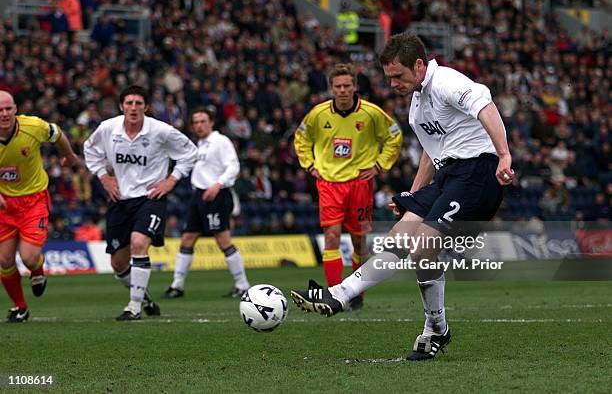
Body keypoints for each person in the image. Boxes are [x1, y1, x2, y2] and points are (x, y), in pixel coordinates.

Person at [291, 33, 514, 360]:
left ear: (419, 65)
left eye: (398, 75)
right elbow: (430, 150)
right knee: (400, 238)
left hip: (478, 173)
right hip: (448, 175)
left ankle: (342, 294)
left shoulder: (447, 82)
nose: (392, 83)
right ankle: (434, 327)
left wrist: (504, 155)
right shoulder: (417, 103)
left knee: (422, 245)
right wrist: (414, 194)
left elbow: (486, 107)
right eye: (388, 77)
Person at [294, 63, 402, 310]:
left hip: (359, 185)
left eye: (346, 86)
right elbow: (301, 138)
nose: (342, 90)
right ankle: (333, 295)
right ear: (331, 88)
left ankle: (357, 292)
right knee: (331, 236)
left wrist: (380, 165)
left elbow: (394, 135)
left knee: (359, 242)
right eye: (337, 86)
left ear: (355, 87)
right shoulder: (318, 114)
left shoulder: (372, 113)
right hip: (329, 184)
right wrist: (309, 165)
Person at [84, 85, 197, 321]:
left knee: (138, 243)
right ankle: (144, 297)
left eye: (138, 103)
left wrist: (170, 181)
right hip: (120, 199)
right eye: (129, 103)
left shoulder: (161, 131)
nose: (133, 108)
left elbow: (190, 153)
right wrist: (105, 178)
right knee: (118, 263)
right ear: (121, 106)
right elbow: (89, 150)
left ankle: (133, 307)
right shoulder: (108, 129)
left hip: (150, 199)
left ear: (146, 106)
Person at [0, 90, 81, 322]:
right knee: (4, 261)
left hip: (33, 200)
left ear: (15, 109)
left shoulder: (33, 126)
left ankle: (37, 271)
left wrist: (69, 155)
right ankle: (20, 307)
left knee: (28, 257)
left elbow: (58, 134)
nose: (4, 114)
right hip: (5, 204)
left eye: (8, 109)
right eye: (0, 110)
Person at [164, 108, 250, 299]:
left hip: (216, 194)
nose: (199, 125)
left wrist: (217, 185)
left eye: (203, 121)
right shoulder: (199, 145)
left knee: (222, 239)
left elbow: (233, 167)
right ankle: (177, 286)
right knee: (187, 238)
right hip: (199, 195)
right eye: (196, 122)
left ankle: (243, 285)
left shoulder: (220, 141)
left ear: (211, 123)